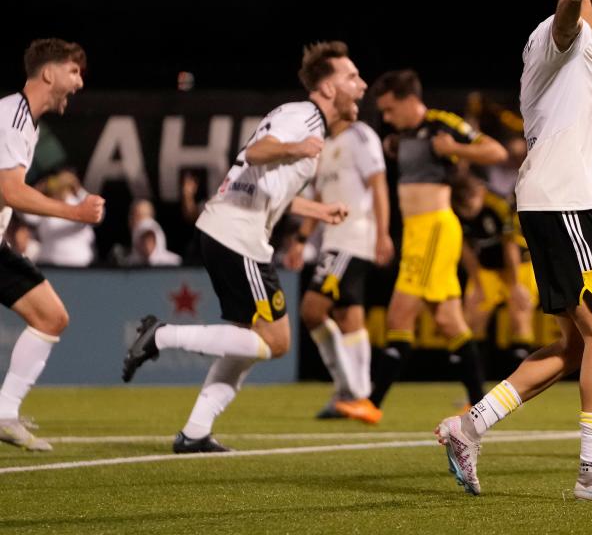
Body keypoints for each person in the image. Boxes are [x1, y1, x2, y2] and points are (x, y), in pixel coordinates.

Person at [435, 0, 592, 501]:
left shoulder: (588, 40)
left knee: (576, 347)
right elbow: (565, 21)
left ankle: (468, 426)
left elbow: (578, 24)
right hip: (561, 203)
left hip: (557, 201)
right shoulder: (562, 30)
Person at [121, 41, 354, 453]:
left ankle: (194, 432)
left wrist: (317, 210)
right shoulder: (303, 117)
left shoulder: (303, 121)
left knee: (247, 340)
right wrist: (297, 148)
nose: (362, 85)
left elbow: (267, 187)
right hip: (237, 235)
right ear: (329, 88)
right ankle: (161, 335)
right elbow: (255, 152)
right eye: (352, 77)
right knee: (277, 342)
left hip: (231, 231)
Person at [340, 70, 507, 425]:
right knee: (449, 321)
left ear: (407, 99)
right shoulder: (403, 136)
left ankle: (372, 402)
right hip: (420, 233)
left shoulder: (439, 124)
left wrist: (455, 149)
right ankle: (481, 404)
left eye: (389, 110)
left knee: (400, 314)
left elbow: (495, 151)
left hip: (434, 228)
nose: (386, 118)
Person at [0, 38, 104, 450]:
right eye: (73, 71)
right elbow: (11, 191)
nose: (79, 83)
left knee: (50, 317)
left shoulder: (25, 120)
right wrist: (75, 213)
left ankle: (5, 412)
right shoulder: (12, 115)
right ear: (48, 73)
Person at [285, 108, 394, 420]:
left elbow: (378, 184)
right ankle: (360, 396)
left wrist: (382, 233)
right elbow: (318, 196)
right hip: (333, 240)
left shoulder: (360, 135)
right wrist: (303, 238)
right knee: (348, 316)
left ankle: (350, 392)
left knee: (311, 309)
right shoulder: (324, 144)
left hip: (353, 238)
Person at [453, 175, 537, 370]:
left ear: (479, 193)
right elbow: (465, 250)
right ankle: (476, 393)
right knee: (472, 320)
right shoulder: (454, 210)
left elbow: (510, 246)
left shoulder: (498, 205)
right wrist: (477, 284)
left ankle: (521, 391)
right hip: (487, 268)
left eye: (470, 204)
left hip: (518, 265)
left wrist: (515, 285)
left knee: (520, 317)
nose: (468, 212)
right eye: (463, 208)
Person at [21, 170, 97, 267]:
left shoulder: (79, 203)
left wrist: (78, 188)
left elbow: (97, 212)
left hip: (78, 264)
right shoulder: (46, 204)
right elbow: (26, 215)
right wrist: (38, 189)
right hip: (48, 262)